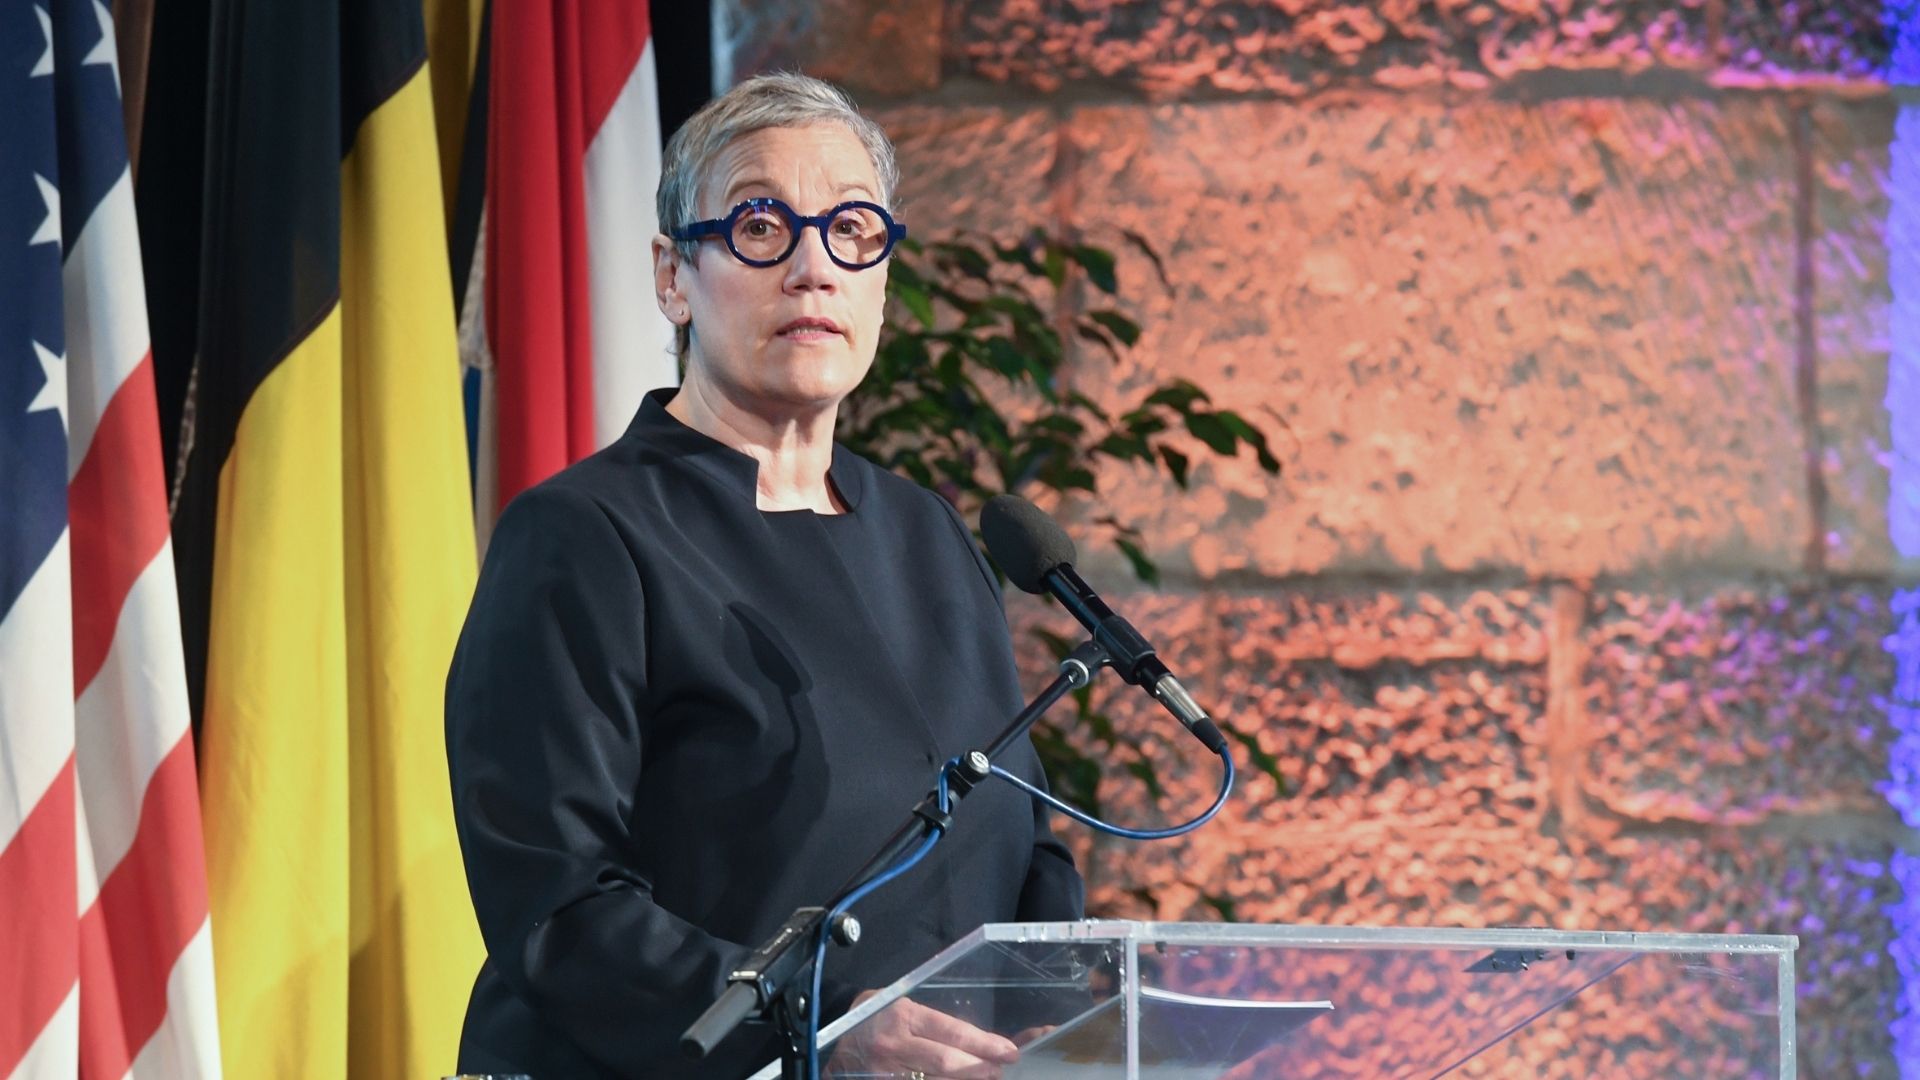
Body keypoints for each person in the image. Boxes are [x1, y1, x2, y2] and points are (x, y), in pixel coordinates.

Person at [445, 72, 1085, 1079]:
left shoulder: (931, 538)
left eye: (853, 228)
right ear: (672, 276)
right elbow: (557, 909)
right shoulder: (581, 537)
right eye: (758, 225)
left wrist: (1059, 1023)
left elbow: (1022, 844)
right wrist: (819, 1019)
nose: (813, 266)